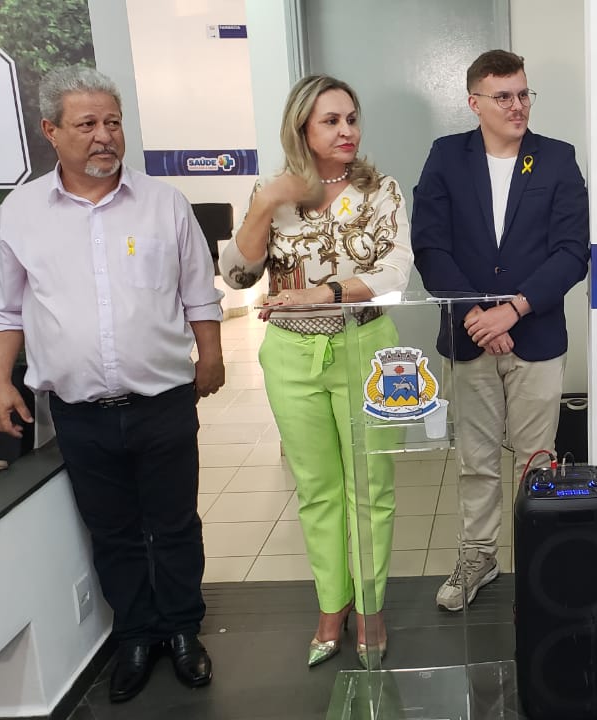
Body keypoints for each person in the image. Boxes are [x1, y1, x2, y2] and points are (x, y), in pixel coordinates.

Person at [0, 65, 222, 703]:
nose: (104, 136)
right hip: (78, 411)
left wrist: (212, 357)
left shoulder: (164, 204)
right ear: (50, 131)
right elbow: (3, 307)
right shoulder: (21, 213)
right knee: (111, 531)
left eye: (112, 122)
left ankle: (183, 630)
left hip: (163, 401)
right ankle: (136, 634)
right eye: (86, 124)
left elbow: (199, 293)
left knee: (175, 523)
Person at [218, 74, 413, 668]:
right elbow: (238, 275)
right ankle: (333, 604)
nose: (347, 130)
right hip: (291, 355)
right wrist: (264, 204)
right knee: (317, 488)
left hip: (367, 346)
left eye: (351, 118)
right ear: (301, 127)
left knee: (371, 487)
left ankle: (371, 604)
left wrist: (323, 293)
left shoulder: (381, 190)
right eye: (331, 120)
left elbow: (395, 273)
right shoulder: (271, 191)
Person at [412, 49, 590, 611]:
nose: (518, 106)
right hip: (470, 338)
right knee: (477, 461)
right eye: (504, 96)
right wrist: (476, 315)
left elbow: (572, 252)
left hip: (535, 337)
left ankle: (539, 560)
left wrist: (512, 310)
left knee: (536, 459)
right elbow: (430, 246)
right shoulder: (447, 157)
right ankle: (479, 557)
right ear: (474, 103)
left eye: (523, 94)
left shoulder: (556, 159)